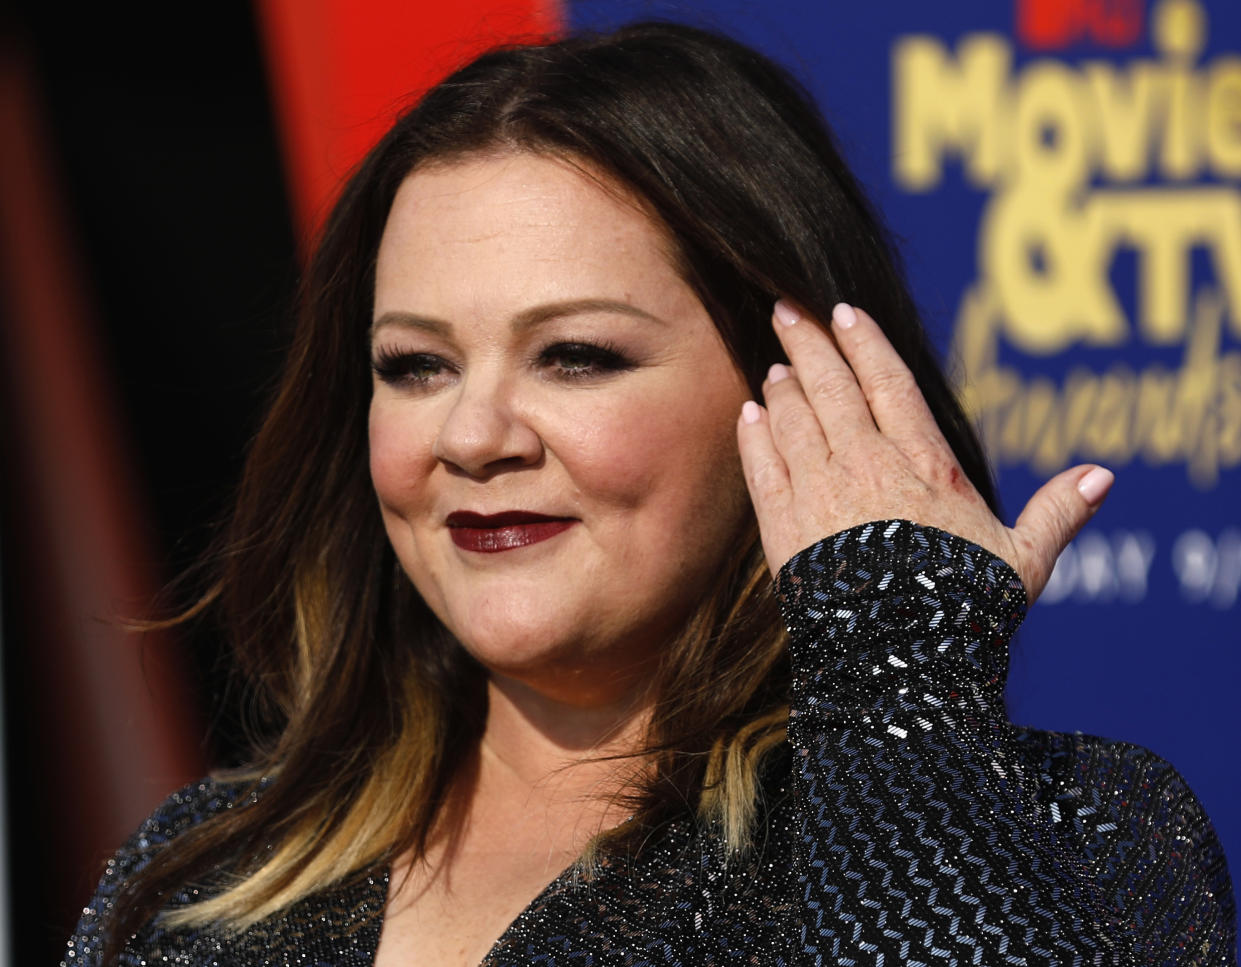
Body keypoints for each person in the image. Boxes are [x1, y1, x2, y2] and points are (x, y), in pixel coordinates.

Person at [65, 21, 1234, 967]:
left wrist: (902, 693)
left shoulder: (1075, 820)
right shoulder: (196, 881)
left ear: (797, 397)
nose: (471, 435)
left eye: (575, 355)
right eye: (414, 365)